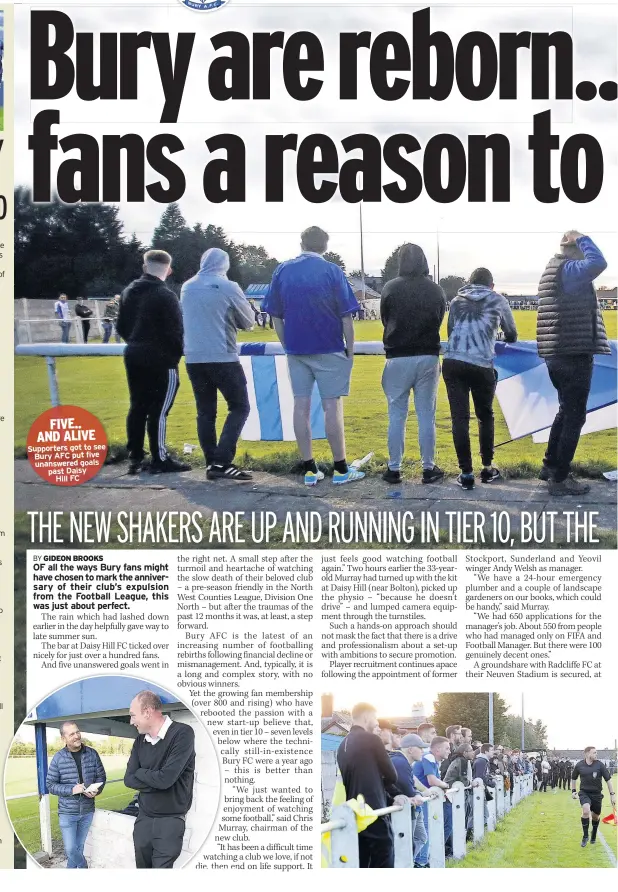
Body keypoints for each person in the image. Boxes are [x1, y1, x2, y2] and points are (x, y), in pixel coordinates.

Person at [262, 226, 364, 486]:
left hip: (297, 348)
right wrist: (350, 349)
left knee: (301, 406)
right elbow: (346, 315)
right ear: (325, 246)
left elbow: (275, 314)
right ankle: (340, 469)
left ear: (302, 243)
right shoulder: (332, 271)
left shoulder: (282, 270)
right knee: (332, 406)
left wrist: (287, 344)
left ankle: (310, 468)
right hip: (329, 347)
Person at [537, 231, 610, 495]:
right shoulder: (570, 270)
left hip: (557, 352)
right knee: (575, 417)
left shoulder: (554, 270)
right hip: (573, 352)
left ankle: (550, 466)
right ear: (576, 250)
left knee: (565, 411)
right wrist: (585, 238)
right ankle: (560, 478)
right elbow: (598, 263)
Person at [181, 248, 255, 481]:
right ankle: (222, 461)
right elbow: (249, 322)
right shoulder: (229, 286)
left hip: (193, 358)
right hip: (223, 356)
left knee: (205, 412)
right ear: (225, 265)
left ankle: (211, 461)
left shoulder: (187, 286)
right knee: (240, 407)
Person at [442, 268, 518, 490]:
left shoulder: (456, 301)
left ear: (469, 282)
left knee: (460, 419)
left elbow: (450, 331)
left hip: (453, 362)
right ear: (491, 285)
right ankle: (486, 467)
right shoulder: (498, 300)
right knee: (485, 415)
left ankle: (465, 473)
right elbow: (511, 333)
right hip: (482, 363)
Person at [116, 250, 191, 475]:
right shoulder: (165, 295)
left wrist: (136, 341)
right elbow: (176, 331)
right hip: (160, 358)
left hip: (134, 353)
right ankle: (159, 458)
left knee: (137, 405)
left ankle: (136, 456)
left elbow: (122, 326)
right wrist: (173, 357)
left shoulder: (128, 291)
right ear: (168, 270)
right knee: (159, 409)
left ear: (145, 266)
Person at [380, 243, 446, 484]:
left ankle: (394, 468)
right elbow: (439, 318)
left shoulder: (390, 287)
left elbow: (385, 320)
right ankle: (428, 468)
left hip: (397, 356)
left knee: (396, 415)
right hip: (428, 355)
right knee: (426, 414)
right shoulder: (435, 289)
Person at [124, 690, 196, 869]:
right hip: (143, 821)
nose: (131, 721)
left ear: (147, 712)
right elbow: (128, 779)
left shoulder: (182, 733)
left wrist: (141, 772)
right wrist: (155, 778)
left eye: (133, 715)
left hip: (169, 822)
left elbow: (165, 780)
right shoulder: (140, 741)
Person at [336, 702, 400, 868]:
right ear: (366, 717)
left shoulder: (341, 745)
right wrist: (380, 784)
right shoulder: (372, 740)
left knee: (362, 861)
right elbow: (392, 775)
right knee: (384, 857)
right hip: (373, 810)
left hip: (354, 812)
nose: (377, 722)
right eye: (375, 718)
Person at [46, 721, 106, 869]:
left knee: (79, 848)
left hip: (87, 811)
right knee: (71, 849)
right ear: (63, 738)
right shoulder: (58, 758)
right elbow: (50, 785)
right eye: (71, 734)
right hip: (67, 813)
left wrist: (97, 790)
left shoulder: (92, 754)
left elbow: (101, 777)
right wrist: (71, 790)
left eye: (77, 732)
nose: (77, 736)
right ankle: (84, 868)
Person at [391, 734, 429, 868]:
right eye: (420, 748)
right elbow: (408, 790)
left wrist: (417, 792)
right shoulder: (400, 762)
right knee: (406, 843)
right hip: (402, 810)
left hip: (408, 808)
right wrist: (416, 793)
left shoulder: (402, 761)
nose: (423, 751)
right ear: (411, 749)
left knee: (420, 838)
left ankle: (409, 863)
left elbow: (411, 785)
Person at [414, 736, 453, 857]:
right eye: (447, 748)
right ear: (437, 750)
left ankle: (424, 859)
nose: (449, 751)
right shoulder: (429, 757)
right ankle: (421, 861)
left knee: (427, 828)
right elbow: (432, 781)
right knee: (424, 829)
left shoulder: (433, 759)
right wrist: (446, 785)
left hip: (424, 797)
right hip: (420, 797)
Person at [571, 746, 616, 848]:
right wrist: (573, 791)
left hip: (597, 794)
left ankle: (594, 834)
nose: (596, 754)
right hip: (584, 793)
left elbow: (608, 780)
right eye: (594, 752)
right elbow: (573, 778)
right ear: (587, 754)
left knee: (595, 816)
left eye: (596, 752)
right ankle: (585, 836)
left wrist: (612, 795)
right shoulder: (579, 765)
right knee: (586, 811)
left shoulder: (600, 765)